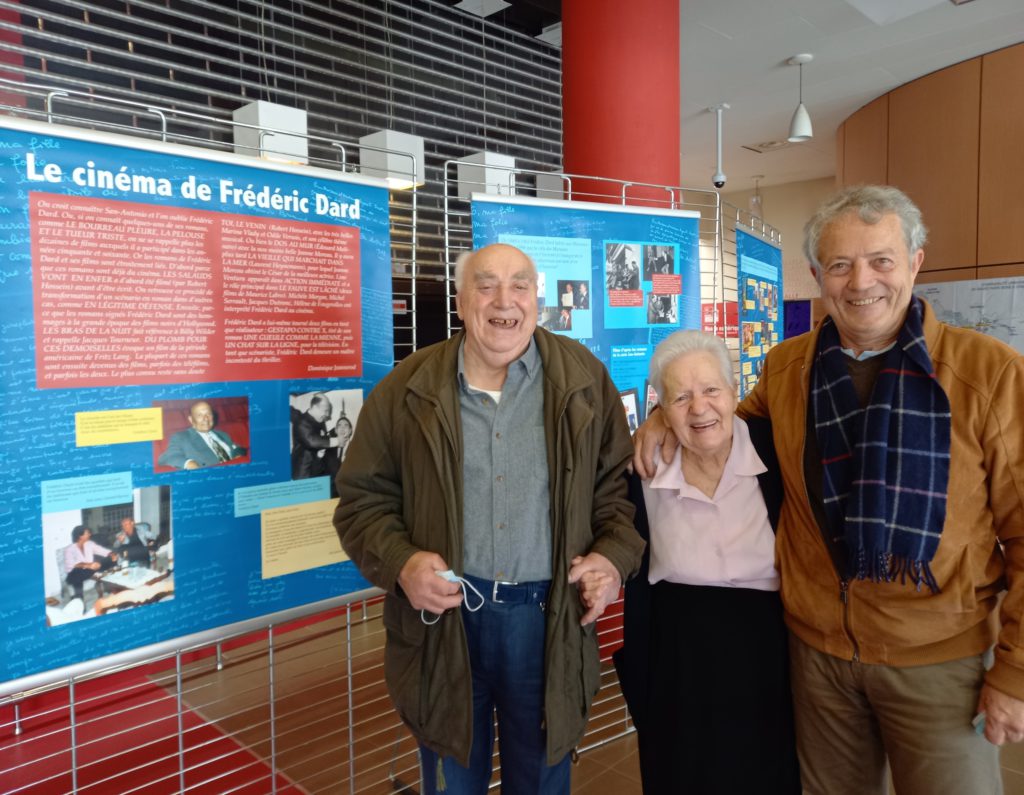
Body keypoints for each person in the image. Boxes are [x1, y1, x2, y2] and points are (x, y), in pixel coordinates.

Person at [634, 185, 1024, 794]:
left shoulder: (988, 374)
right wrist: (666, 414)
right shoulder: (788, 369)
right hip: (818, 660)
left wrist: (1016, 672)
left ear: (915, 262)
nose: (861, 281)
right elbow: (723, 423)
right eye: (840, 264)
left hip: (938, 660)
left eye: (881, 260)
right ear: (817, 276)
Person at [335, 243, 643, 795]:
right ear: (460, 301)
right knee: (453, 781)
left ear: (537, 300)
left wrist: (611, 558)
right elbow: (361, 501)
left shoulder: (584, 381)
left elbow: (616, 495)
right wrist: (402, 564)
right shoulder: (407, 390)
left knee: (541, 783)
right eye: (486, 285)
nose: (505, 300)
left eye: (520, 285)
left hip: (546, 622)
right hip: (445, 625)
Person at [614, 330, 799, 794]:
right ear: (660, 407)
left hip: (771, 656)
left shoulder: (776, 449)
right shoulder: (642, 468)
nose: (699, 408)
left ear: (735, 393)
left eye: (712, 390)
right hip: (676, 663)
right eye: (680, 397)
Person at [158, 400, 246, 470]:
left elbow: (237, 447)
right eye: (200, 415)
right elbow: (168, 457)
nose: (206, 419)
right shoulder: (181, 437)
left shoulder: (222, 434)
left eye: (208, 414)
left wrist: (237, 455)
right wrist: (189, 463)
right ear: (191, 419)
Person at [291, 393, 342, 479]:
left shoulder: (320, 421)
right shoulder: (301, 422)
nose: (327, 415)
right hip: (302, 473)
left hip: (316, 469)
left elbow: (324, 439)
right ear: (314, 407)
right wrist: (337, 441)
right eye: (325, 411)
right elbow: (311, 441)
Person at [63, 525, 117, 601]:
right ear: (80, 536)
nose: (90, 534)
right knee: (77, 572)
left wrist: (111, 554)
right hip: (75, 573)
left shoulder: (89, 544)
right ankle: (79, 599)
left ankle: (112, 587)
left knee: (110, 560)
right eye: (87, 533)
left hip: (89, 570)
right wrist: (88, 565)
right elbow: (71, 565)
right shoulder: (69, 549)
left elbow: (101, 550)